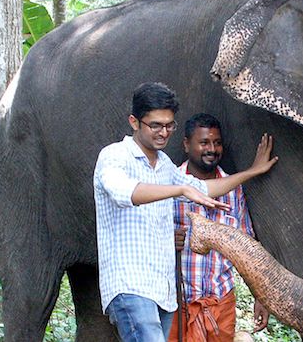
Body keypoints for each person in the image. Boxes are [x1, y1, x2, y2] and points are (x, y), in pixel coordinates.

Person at [94, 82, 278, 342]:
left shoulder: (164, 165)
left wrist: (251, 172)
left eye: (169, 125)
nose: (163, 132)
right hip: (131, 286)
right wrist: (179, 188)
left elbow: (204, 188)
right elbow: (126, 193)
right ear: (134, 122)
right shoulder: (114, 156)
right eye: (155, 125)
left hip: (164, 290)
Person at [169, 114, 270, 342]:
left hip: (220, 303)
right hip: (176, 302)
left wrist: (260, 296)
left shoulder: (234, 190)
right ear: (186, 144)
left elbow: (247, 246)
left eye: (217, 142)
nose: (212, 149)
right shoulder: (170, 185)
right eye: (204, 142)